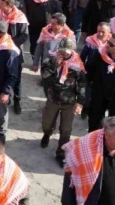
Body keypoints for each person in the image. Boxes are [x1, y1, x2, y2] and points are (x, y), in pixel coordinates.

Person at [40, 38, 85, 166]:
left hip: (69, 102)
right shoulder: (50, 60)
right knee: (47, 123)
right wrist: (55, 64)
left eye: (66, 52)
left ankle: (61, 153)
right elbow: (44, 76)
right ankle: (47, 134)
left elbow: (82, 85)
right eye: (61, 51)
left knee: (66, 130)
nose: (64, 54)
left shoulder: (77, 65)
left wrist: (80, 102)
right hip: (53, 99)